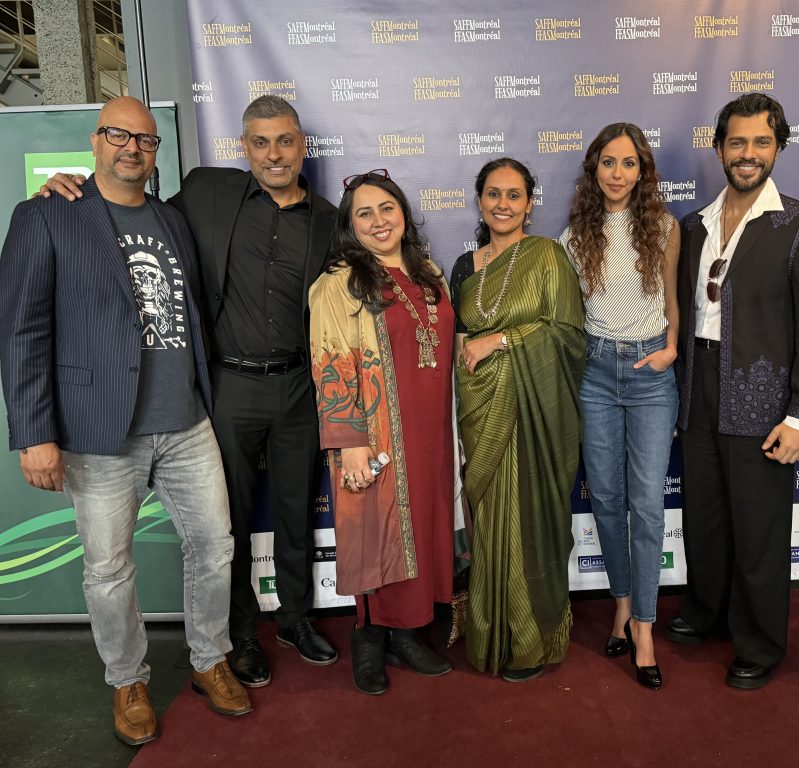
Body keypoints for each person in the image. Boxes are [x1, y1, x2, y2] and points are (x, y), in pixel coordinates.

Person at [41, 95, 339, 687]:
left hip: (299, 387)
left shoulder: (330, 218)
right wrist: (70, 186)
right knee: (220, 528)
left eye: (285, 141)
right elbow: (128, 202)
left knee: (295, 509)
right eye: (261, 142)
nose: (274, 154)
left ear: (302, 145)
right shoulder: (207, 192)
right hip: (226, 387)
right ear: (244, 147)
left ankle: (298, 618)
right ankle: (242, 634)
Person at [0, 97, 252, 746]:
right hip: (99, 433)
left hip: (187, 422)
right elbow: (22, 331)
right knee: (109, 569)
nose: (130, 148)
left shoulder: (171, 220)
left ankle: (209, 659)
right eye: (118, 135)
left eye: (144, 139)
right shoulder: (47, 214)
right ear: (95, 141)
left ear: (155, 151)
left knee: (216, 545)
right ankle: (127, 680)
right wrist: (34, 434)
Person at [670, 93, 799, 689]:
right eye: (736, 142)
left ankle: (760, 644)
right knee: (705, 519)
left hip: (765, 400)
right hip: (697, 388)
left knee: (760, 527)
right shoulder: (692, 225)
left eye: (760, 142)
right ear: (719, 148)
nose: (747, 154)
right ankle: (707, 612)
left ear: (778, 148)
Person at [308, 170, 457, 695]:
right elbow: (330, 365)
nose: (379, 221)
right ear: (350, 225)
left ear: (403, 213)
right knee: (374, 532)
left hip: (430, 431)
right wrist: (349, 443)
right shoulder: (340, 284)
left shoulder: (429, 273)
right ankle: (369, 637)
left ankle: (409, 633)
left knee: (421, 528)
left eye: (387, 208)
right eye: (364, 213)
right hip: (374, 434)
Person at [449, 157, 585, 682]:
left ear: (530, 202)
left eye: (513, 195)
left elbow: (570, 337)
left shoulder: (549, 257)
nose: (503, 204)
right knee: (486, 524)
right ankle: (489, 633)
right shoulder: (466, 266)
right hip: (480, 412)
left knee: (527, 522)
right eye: (492, 194)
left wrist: (504, 340)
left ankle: (530, 640)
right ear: (480, 201)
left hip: (534, 418)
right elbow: (460, 349)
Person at [559, 123, 680, 690]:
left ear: (642, 170)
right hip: (596, 373)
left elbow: (673, 298)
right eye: (608, 162)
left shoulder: (664, 227)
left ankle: (647, 630)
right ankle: (622, 606)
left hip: (651, 371)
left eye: (628, 163)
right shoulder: (573, 234)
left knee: (648, 506)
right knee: (607, 500)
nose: (617, 173)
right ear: (595, 169)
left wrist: (671, 349)